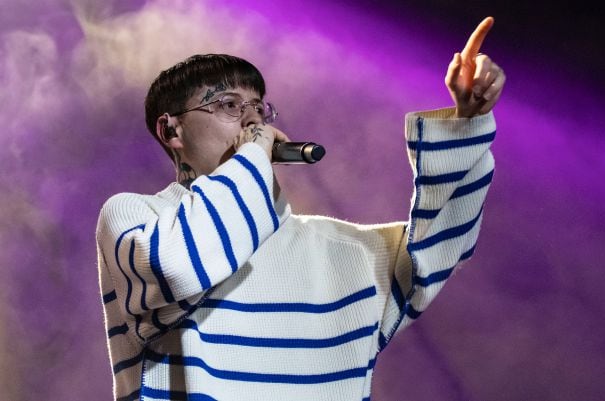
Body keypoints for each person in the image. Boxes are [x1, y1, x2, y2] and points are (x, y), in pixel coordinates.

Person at [96, 17, 505, 401]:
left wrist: (466, 122)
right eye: (228, 106)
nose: (253, 122)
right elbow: (183, 266)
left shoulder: (340, 251)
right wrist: (254, 152)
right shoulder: (137, 219)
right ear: (171, 130)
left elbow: (438, 248)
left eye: (259, 109)